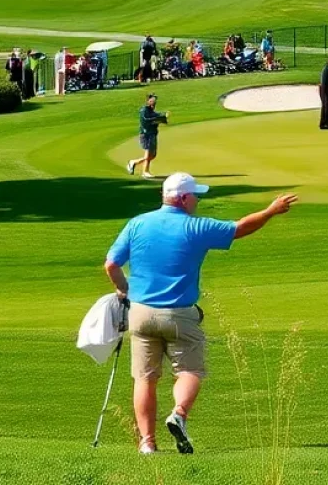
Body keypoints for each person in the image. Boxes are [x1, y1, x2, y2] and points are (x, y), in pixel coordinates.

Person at [104, 172, 298, 456]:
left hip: (141, 314)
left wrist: (124, 290)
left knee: (145, 378)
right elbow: (240, 228)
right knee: (190, 370)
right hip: (180, 314)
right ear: (183, 198)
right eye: (195, 195)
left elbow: (111, 264)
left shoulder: (137, 224)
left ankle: (147, 443)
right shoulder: (195, 227)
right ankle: (179, 414)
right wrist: (271, 211)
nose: (197, 200)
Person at [127, 94, 170, 179]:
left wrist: (164, 116)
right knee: (148, 153)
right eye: (152, 102)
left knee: (153, 155)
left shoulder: (152, 111)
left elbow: (157, 115)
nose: (153, 104)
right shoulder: (144, 110)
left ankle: (133, 162)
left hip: (153, 134)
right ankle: (145, 172)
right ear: (148, 101)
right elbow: (146, 120)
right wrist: (160, 118)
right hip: (145, 135)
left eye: (154, 102)